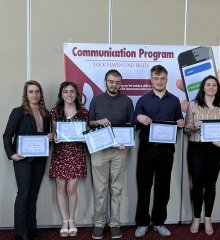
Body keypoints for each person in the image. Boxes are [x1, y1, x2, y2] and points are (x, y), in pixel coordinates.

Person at [133, 65, 185, 238]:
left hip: (166, 151)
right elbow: (134, 123)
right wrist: (138, 117)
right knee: (144, 187)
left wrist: (180, 124)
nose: (159, 81)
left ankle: (159, 222)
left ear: (167, 79)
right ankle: (142, 223)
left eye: (162, 78)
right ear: (151, 80)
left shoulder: (175, 100)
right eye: (156, 78)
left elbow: (178, 124)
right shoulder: (143, 100)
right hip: (147, 149)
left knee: (163, 188)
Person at [184, 75, 220, 235]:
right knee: (197, 184)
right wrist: (194, 126)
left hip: (216, 150)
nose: (211, 87)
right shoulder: (193, 105)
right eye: (208, 84)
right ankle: (196, 218)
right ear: (203, 87)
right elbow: (186, 129)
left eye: (214, 85)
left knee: (210, 185)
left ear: (217, 88)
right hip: (196, 148)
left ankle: (208, 219)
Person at [3, 80, 53, 240]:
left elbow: (45, 136)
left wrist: (50, 137)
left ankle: (32, 228)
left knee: (33, 195)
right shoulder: (18, 112)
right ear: (26, 94)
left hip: (40, 159)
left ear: (41, 94)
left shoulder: (45, 113)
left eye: (37, 91)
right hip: (22, 159)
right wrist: (11, 154)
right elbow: (7, 135)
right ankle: (20, 231)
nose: (34, 95)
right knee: (23, 194)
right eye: (31, 92)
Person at [89, 69, 134, 239]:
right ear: (105, 82)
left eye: (117, 82)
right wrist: (97, 122)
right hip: (99, 151)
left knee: (116, 189)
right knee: (100, 189)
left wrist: (127, 141)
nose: (114, 85)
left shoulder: (127, 101)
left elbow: (131, 125)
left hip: (119, 151)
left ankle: (115, 223)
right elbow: (89, 123)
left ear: (120, 83)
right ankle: (99, 224)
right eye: (111, 81)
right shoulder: (96, 100)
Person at [49, 81, 89, 237]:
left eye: (72, 91)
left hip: (77, 153)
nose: (69, 94)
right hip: (60, 153)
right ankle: (64, 221)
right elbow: (53, 133)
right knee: (60, 188)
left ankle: (72, 220)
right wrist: (55, 138)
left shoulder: (83, 112)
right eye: (66, 91)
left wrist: (85, 139)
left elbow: (86, 134)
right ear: (61, 94)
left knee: (72, 189)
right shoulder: (54, 111)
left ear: (76, 94)